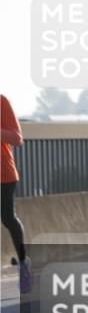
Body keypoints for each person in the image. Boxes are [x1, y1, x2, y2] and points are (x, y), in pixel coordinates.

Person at [1, 95, 30, 294]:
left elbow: (17, 138)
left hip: (3, 173)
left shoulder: (2, 102)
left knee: (8, 218)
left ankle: (23, 262)